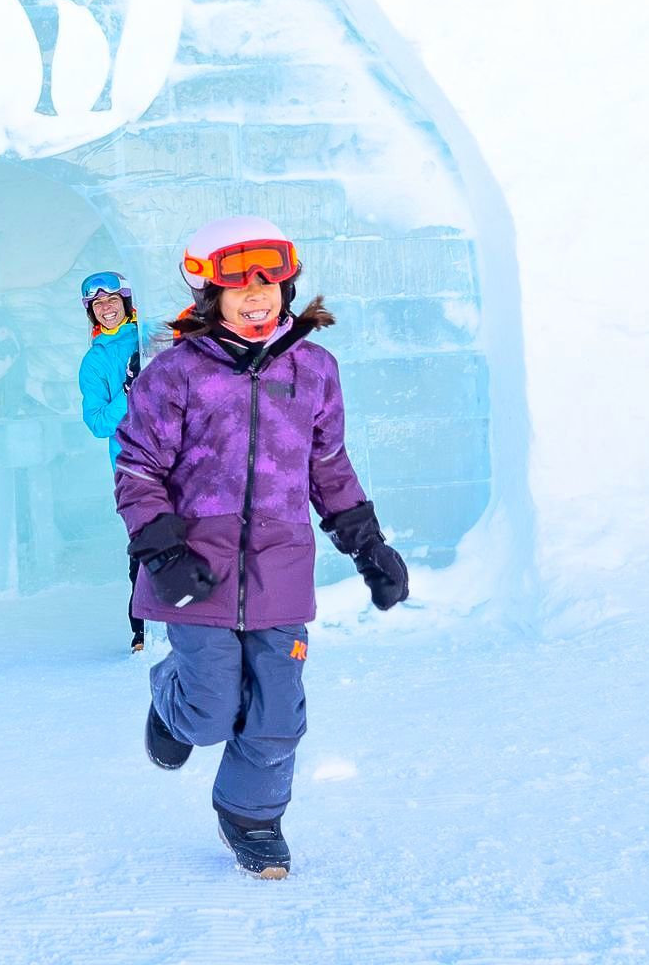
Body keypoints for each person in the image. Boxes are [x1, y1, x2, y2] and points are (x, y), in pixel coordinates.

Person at [113, 215, 410, 880]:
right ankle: (170, 699)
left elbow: (327, 466)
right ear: (208, 294)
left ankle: (251, 816)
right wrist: (163, 553)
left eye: (269, 282)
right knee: (208, 711)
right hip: (196, 569)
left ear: (288, 286)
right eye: (238, 285)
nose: (256, 295)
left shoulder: (315, 370)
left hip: (281, 572)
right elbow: (137, 468)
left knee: (279, 710)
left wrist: (369, 548)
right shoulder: (176, 373)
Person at [76, 270, 147, 652]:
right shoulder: (94, 362)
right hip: (132, 465)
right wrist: (128, 391)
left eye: (112, 301)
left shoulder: (150, 338)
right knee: (145, 543)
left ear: (127, 303)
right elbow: (98, 423)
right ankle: (142, 631)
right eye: (98, 304)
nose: (106, 309)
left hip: (176, 458)